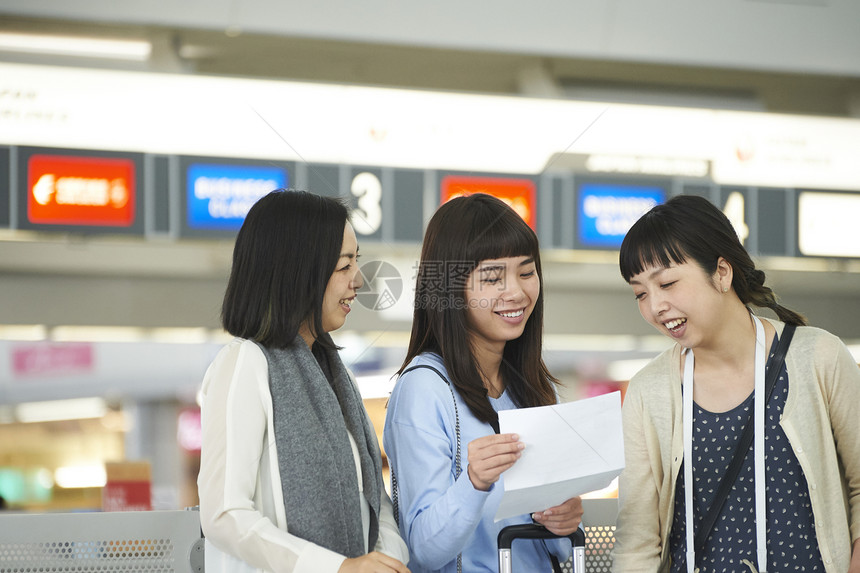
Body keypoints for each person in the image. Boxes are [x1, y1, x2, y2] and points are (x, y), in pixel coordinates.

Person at [612, 194, 860, 573]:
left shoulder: (818, 357)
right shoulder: (649, 392)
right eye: (640, 293)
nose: (655, 306)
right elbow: (638, 542)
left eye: (668, 283)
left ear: (722, 273)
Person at [197, 190, 410, 573]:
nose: (358, 280)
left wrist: (387, 561)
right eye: (344, 266)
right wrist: (337, 568)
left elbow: (375, 503)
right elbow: (224, 513)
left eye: (355, 262)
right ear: (299, 270)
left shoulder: (335, 373)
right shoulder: (245, 363)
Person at [383, 193, 584, 573]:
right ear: (450, 290)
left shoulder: (536, 386)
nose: (517, 292)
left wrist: (564, 520)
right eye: (492, 278)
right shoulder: (425, 389)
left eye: (526, 272)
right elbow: (422, 551)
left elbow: (556, 550)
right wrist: (474, 482)